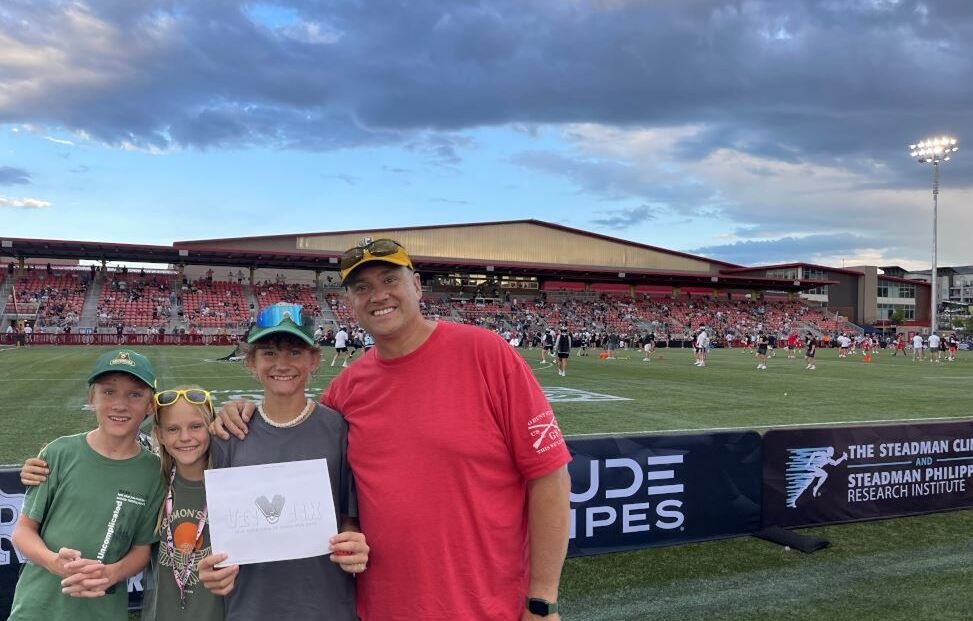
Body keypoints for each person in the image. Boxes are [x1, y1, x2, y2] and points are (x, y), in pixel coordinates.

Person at [214, 239, 571, 620]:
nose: (378, 295)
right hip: (380, 609)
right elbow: (298, 435)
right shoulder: (346, 391)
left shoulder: (486, 353)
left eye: (389, 280)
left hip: (486, 607)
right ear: (351, 303)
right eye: (362, 287)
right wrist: (241, 411)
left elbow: (549, 477)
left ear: (416, 285)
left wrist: (541, 601)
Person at [198, 303, 367, 621]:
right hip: (252, 606)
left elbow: (349, 516)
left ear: (313, 360)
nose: (282, 364)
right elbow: (218, 528)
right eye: (269, 353)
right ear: (251, 362)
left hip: (326, 605)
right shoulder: (229, 433)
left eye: (295, 352)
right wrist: (210, 566)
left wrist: (353, 543)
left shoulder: (338, 430)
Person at [20, 384, 224, 620]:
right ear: (160, 435)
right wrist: (48, 462)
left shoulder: (229, 482)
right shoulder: (156, 480)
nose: (185, 437)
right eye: (173, 429)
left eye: (196, 426)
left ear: (212, 427)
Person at [9, 349, 165, 620]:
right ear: (91, 398)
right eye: (108, 392)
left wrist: (111, 573)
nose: (120, 405)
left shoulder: (153, 472)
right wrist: (53, 562)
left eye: (135, 394)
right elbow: (23, 531)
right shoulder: (58, 453)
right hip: (37, 608)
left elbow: (141, 549)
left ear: (150, 406)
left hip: (102, 612)